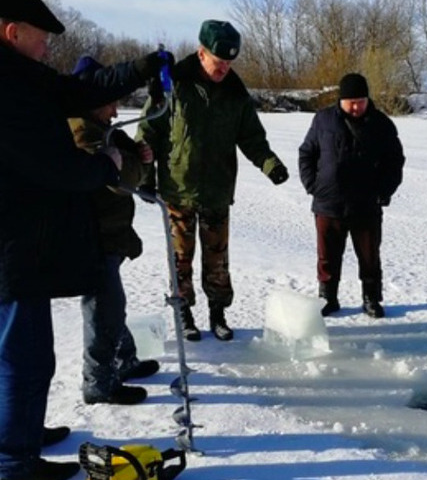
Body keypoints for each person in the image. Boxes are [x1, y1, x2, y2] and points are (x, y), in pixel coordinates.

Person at [0, 0, 170, 480]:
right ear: (12, 32)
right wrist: (105, 165)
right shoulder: (7, 90)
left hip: (21, 242)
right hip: (11, 246)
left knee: (20, 352)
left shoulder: (21, 78)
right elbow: (52, 166)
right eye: (42, 38)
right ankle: (13, 460)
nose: (49, 48)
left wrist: (142, 65)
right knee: (24, 355)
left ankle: (19, 432)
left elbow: (79, 91)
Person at [137, 19, 289, 342]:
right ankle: (184, 313)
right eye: (219, 63)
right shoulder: (174, 84)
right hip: (177, 189)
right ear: (201, 53)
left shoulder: (236, 93)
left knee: (217, 259)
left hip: (218, 190)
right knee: (181, 259)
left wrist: (270, 164)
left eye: (229, 64)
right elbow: (149, 131)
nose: (223, 70)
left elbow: (252, 138)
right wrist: (145, 176)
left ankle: (218, 313)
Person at [69, 56, 162, 405]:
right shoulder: (81, 131)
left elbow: (129, 162)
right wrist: (137, 163)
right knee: (103, 308)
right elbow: (118, 180)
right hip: (92, 236)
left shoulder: (102, 130)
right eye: (109, 103)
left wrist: (137, 154)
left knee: (111, 304)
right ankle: (98, 382)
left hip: (109, 233)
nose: (114, 111)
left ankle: (124, 360)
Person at [298, 73, 405, 318]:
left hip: (366, 205)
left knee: (369, 258)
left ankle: (371, 298)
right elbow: (306, 153)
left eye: (361, 100)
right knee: (327, 258)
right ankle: (327, 297)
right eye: (351, 102)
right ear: (340, 100)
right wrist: (312, 185)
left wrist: (384, 190)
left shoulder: (381, 124)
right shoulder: (323, 120)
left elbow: (395, 161)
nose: (356, 107)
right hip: (328, 204)